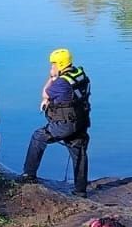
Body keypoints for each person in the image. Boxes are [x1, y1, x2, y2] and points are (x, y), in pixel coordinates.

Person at [20, 48, 91, 197]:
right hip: (81, 121)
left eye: (53, 65)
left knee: (38, 136)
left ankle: (28, 175)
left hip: (64, 125)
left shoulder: (61, 82)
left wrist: (52, 77)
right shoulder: (80, 75)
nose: (51, 68)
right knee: (79, 152)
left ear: (60, 64)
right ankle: (80, 190)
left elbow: (45, 93)